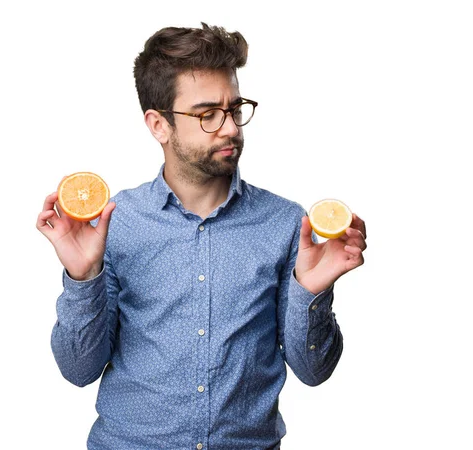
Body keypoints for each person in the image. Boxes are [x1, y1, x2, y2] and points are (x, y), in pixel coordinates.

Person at [36, 23, 367, 450]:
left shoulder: (288, 224)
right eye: (207, 114)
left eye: (234, 109)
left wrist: (312, 294)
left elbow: (314, 371)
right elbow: (78, 369)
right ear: (158, 125)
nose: (230, 127)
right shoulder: (112, 223)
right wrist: (83, 277)